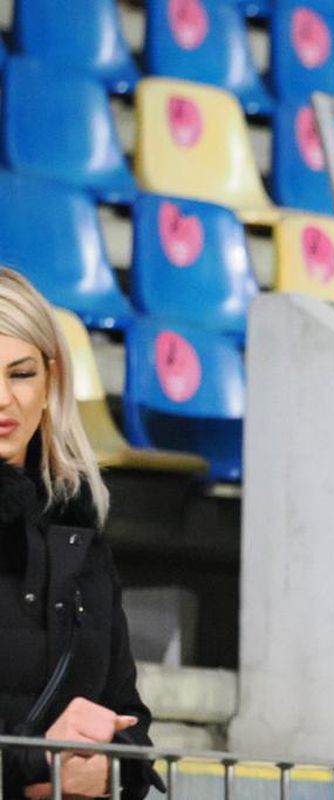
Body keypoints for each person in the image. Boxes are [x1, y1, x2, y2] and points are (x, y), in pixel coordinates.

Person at [0, 269, 161, 800]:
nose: (3, 398)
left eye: (21, 374)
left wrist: (114, 771)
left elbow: (128, 716)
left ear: (51, 382)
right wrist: (37, 766)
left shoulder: (78, 537)